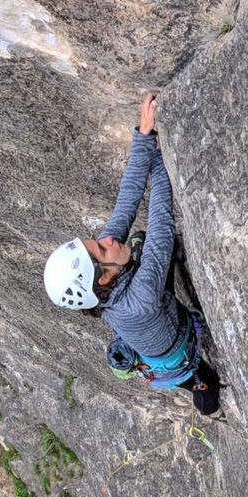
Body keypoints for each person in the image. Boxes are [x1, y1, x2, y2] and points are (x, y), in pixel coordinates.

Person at [43, 92, 221, 417]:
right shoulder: (137, 302)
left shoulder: (106, 278)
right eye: (100, 248)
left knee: (136, 240)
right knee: (205, 381)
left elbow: (128, 199)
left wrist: (144, 136)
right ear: (105, 276)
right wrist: (161, 158)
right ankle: (211, 412)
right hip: (173, 352)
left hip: (156, 309)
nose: (107, 238)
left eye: (95, 242)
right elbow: (161, 224)